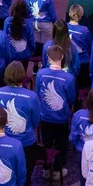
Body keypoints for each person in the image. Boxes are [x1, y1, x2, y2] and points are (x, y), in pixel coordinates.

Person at [0, 61, 40, 184]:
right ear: (23, 75)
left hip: (5, 139)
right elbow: (36, 120)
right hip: (26, 141)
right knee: (26, 174)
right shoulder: (32, 96)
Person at [36, 45, 76, 177]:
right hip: (61, 117)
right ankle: (58, 169)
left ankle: (46, 169)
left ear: (48, 58)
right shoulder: (69, 78)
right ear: (62, 57)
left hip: (45, 116)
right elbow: (71, 98)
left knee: (46, 142)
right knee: (61, 143)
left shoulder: (40, 74)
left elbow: (38, 93)